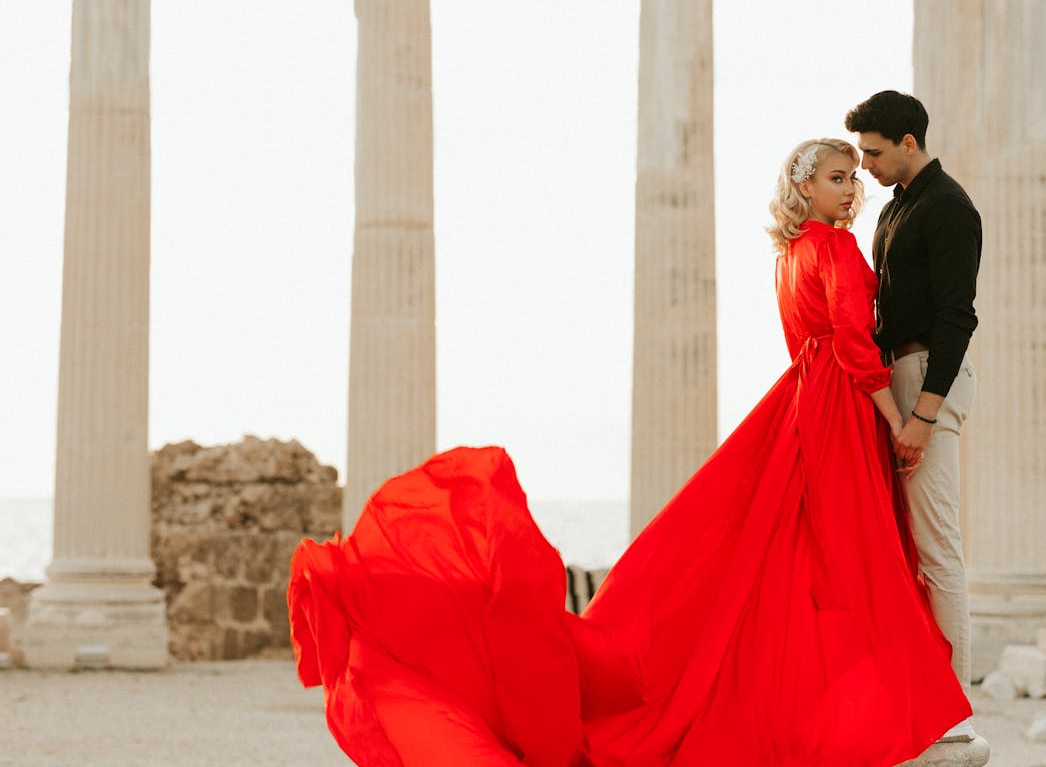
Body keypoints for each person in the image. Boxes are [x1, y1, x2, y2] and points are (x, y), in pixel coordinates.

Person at [288, 138, 971, 766]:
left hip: (799, 398)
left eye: (853, 177)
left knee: (776, 557)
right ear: (805, 187)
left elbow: (809, 339)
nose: (851, 189)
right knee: (851, 557)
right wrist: (897, 420)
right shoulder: (837, 249)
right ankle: (874, 710)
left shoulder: (789, 255)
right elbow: (853, 342)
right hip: (840, 404)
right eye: (837, 178)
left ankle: (813, 706)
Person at [845, 91, 983, 742]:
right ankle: (918, 694)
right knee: (905, 547)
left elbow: (958, 316)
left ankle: (952, 712)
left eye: (873, 153)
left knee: (937, 546)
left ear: (908, 142)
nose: (865, 166)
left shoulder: (950, 206)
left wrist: (924, 414)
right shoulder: (895, 207)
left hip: (927, 377)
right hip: (895, 375)